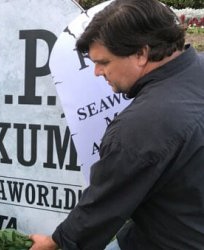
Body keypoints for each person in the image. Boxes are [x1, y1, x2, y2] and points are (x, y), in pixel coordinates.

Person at [30, 0, 204, 249]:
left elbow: (102, 207)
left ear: (141, 54)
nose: (97, 72)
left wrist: (55, 242)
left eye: (104, 62)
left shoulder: (140, 127)